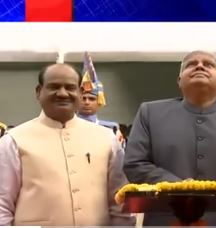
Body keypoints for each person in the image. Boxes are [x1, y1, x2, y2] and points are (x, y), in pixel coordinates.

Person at [123, 50, 216, 226]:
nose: (199, 66)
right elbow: (134, 164)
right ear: (179, 81)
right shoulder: (151, 113)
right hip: (166, 220)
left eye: (208, 64)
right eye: (191, 64)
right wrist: (181, 187)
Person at [0, 63, 134, 226]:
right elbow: (2, 205)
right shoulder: (13, 140)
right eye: (54, 87)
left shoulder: (106, 138)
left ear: (79, 92)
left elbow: (119, 203)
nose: (63, 93)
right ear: (38, 92)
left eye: (70, 87)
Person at [78, 52, 125, 147]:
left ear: (99, 101)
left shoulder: (112, 129)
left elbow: (120, 158)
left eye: (91, 99)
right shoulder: (64, 127)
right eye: (83, 98)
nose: (87, 102)